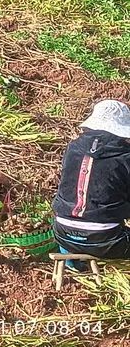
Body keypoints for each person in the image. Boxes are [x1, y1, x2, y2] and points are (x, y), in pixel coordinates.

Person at [52, 100, 130, 262]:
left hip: (62, 234)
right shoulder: (125, 156)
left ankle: (73, 261)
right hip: (105, 241)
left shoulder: (73, 148)